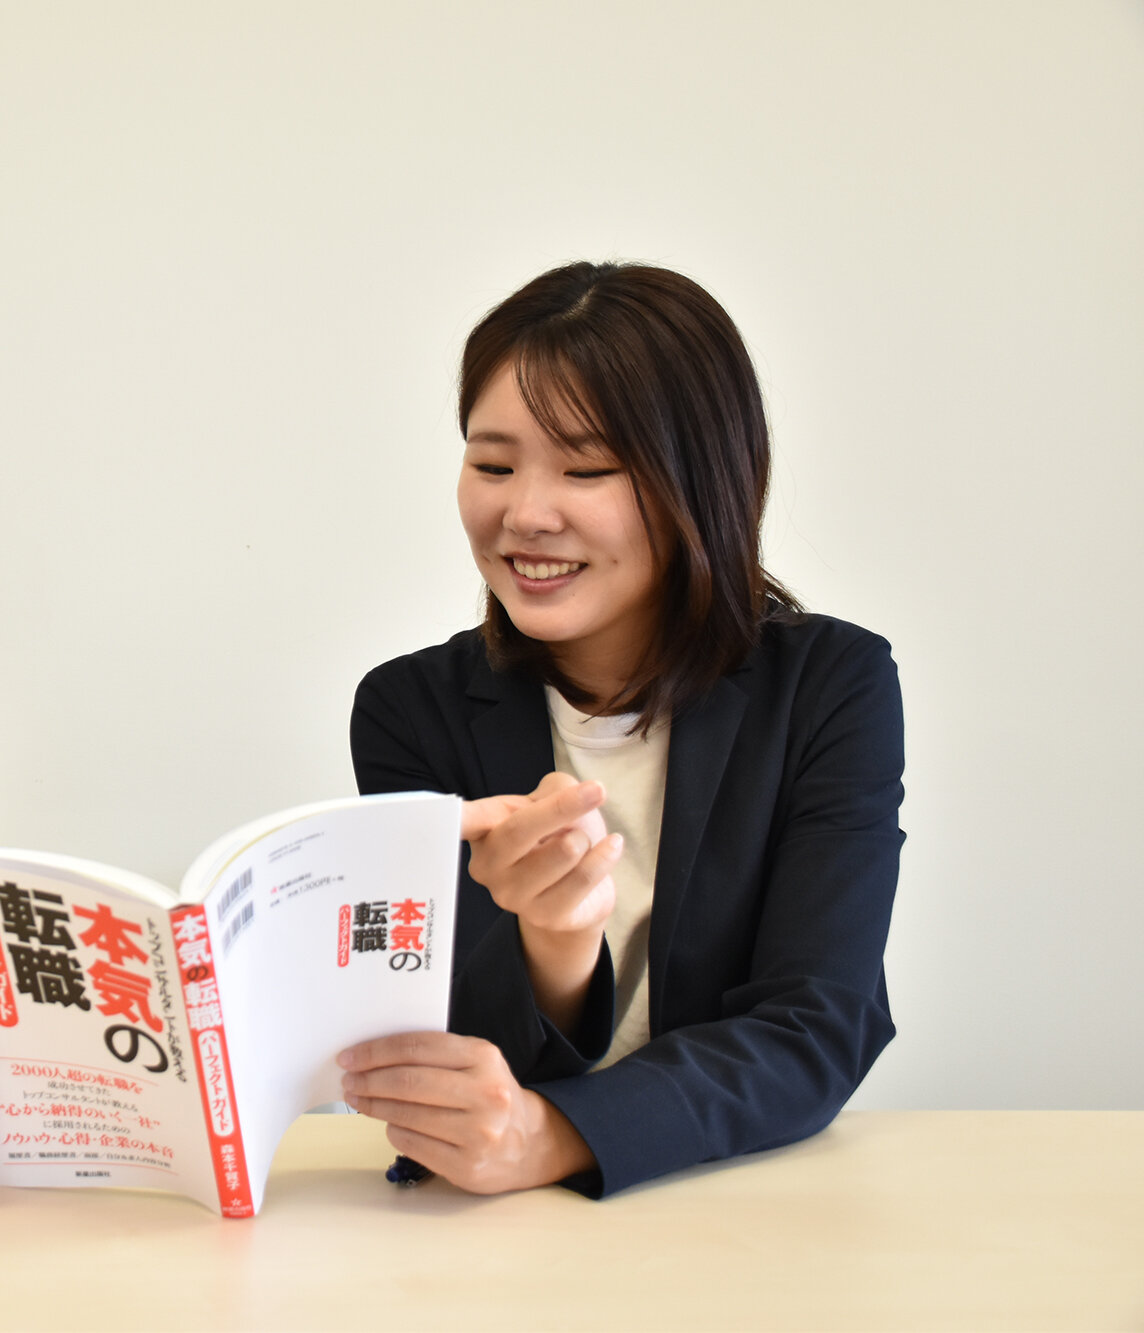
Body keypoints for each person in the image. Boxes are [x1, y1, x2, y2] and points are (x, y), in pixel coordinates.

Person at [340, 262, 903, 1198]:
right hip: (488, 1229)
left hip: (738, 1200)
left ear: (701, 482)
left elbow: (815, 1026)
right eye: (492, 465)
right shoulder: (410, 709)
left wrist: (557, 1135)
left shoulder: (828, 687)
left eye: (588, 469)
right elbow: (461, 1050)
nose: (525, 514)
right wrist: (556, 941)